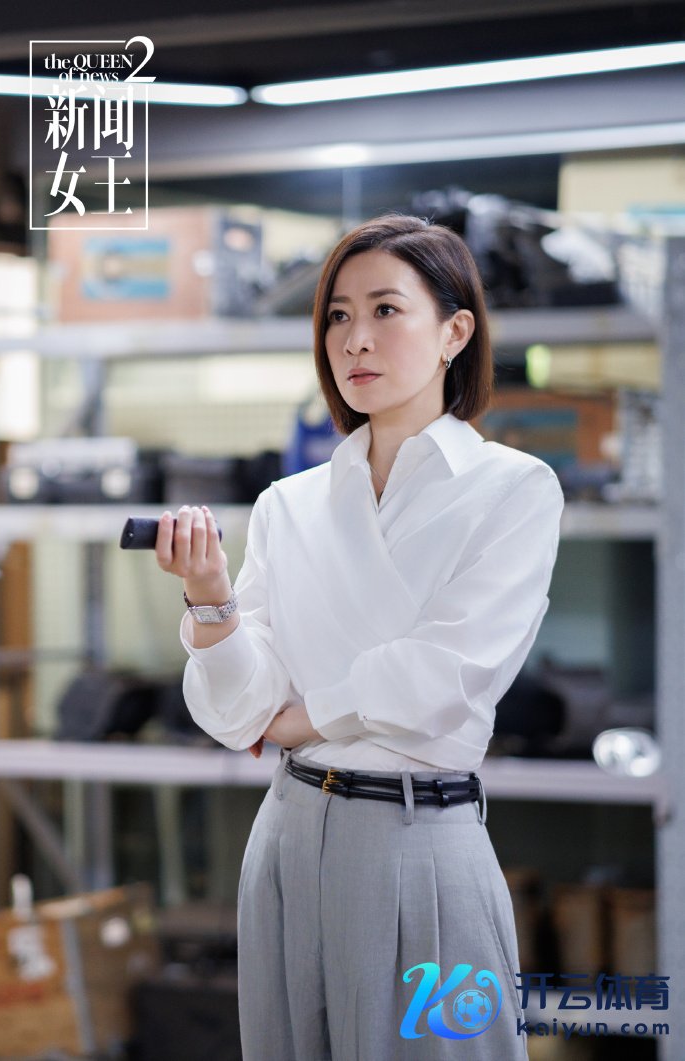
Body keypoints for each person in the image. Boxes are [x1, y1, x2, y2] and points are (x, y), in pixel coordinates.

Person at [155, 214, 564, 1060]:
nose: (355, 339)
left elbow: (444, 673)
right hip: (286, 834)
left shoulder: (514, 489)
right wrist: (210, 598)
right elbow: (237, 712)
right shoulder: (288, 503)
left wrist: (307, 716)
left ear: (455, 332)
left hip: (422, 843)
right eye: (338, 316)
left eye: (385, 309)